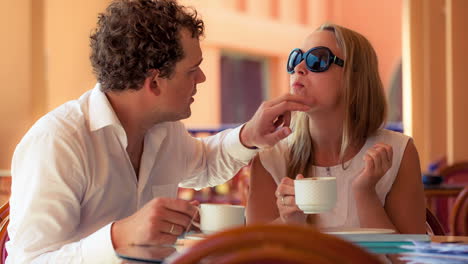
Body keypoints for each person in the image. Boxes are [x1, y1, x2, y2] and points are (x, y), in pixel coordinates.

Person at [6, 1, 311, 263]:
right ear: (154, 82)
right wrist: (117, 238)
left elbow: (202, 163)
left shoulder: (163, 129)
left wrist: (248, 136)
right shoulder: (58, 142)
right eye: (192, 70)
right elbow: (30, 260)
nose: (202, 78)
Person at [246, 23, 426, 234]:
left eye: (317, 59)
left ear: (354, 77)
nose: (299, 68)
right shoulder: (270, 158)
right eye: (295, 58)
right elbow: (254, 253)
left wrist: (365, 193)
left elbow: (407, 258)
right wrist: (291, 224)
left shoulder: (398, 151)